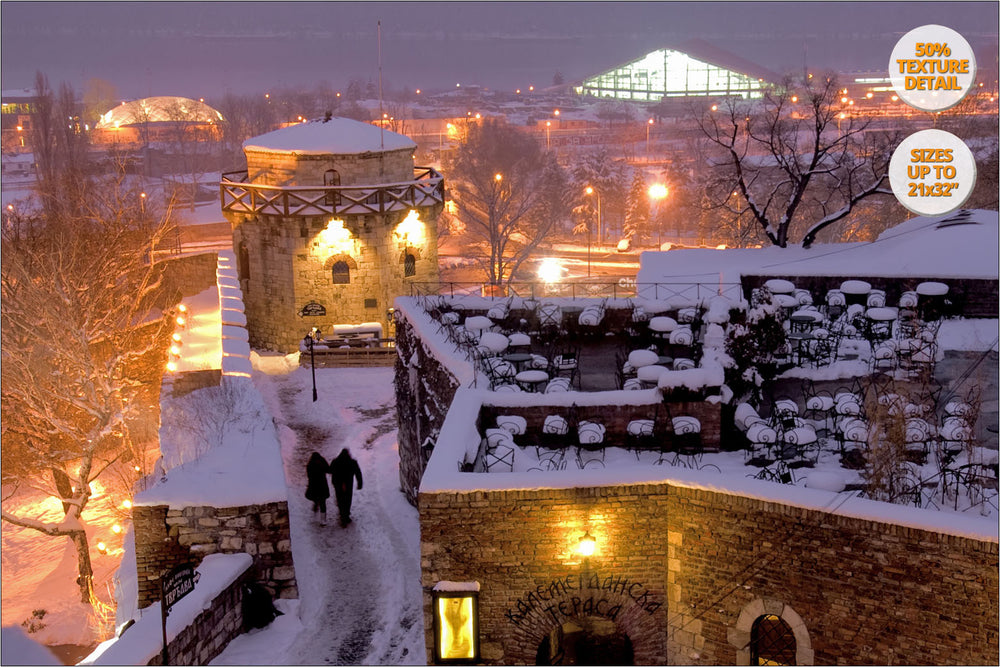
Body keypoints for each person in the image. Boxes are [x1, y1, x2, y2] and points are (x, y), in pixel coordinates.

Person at [328, 448, 363, 527]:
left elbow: (330, 470)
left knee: (340, 499)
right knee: (347, 500)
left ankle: (342, 516)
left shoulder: (335, 461)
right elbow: (358, 473)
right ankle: (346, 515)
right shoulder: (352, 462)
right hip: (348, 484)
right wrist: (360, 483)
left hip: (338, 484)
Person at [304, 452, 330, 524]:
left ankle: (315, 506)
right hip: (322, 485)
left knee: (316, 498)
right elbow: (328, 470)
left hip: (314, 485)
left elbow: (308, 475)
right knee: (322, 502)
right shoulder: (322, 461)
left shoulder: (310, 464)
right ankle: (323, 520)